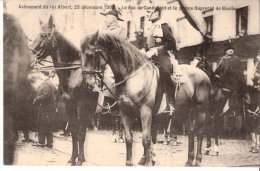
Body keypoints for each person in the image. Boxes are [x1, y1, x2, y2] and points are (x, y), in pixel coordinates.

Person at [100, 4, 126, 143]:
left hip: (116, 60)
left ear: (114, 18)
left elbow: (120, 46)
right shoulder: (102, 29)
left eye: (108, 17)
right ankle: (103, 100)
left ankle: (121, 132)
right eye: (105, 17)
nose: (106, 19)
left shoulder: (121, 29)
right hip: (104, 60)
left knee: (115, 77)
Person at [146, 6, 177, 112]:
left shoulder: (163, 26)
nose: (147, 14)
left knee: (165, 73)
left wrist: (156, 51)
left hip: (162, 56)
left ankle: (170, 104)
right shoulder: (151, 28)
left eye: (149, 11)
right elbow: (149, 45)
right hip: (149, 57)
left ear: (157, 13)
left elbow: (172, 43)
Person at [214, 40, 247, 137]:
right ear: (225, 51)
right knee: (219, 109)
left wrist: (243, 89)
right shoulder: (222, 60)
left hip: (235, 88)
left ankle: (237, 132)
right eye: (228, 49)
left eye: (232, 49)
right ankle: (219, 131)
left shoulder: (237, 59)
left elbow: (240, 74)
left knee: (236, 109)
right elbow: (216, 72)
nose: (230, 51)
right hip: (223, 87)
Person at [32, 71, 56, 148]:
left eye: (40, 74)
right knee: (47, 125)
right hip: (48, 108)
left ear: (43, 75)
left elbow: (46, 95)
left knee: (43, 124)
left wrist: (37, 99)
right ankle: (49, 143)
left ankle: (41, 142)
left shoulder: (47, 84)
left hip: (46, 108)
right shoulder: (49, 83)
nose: (39, 76)